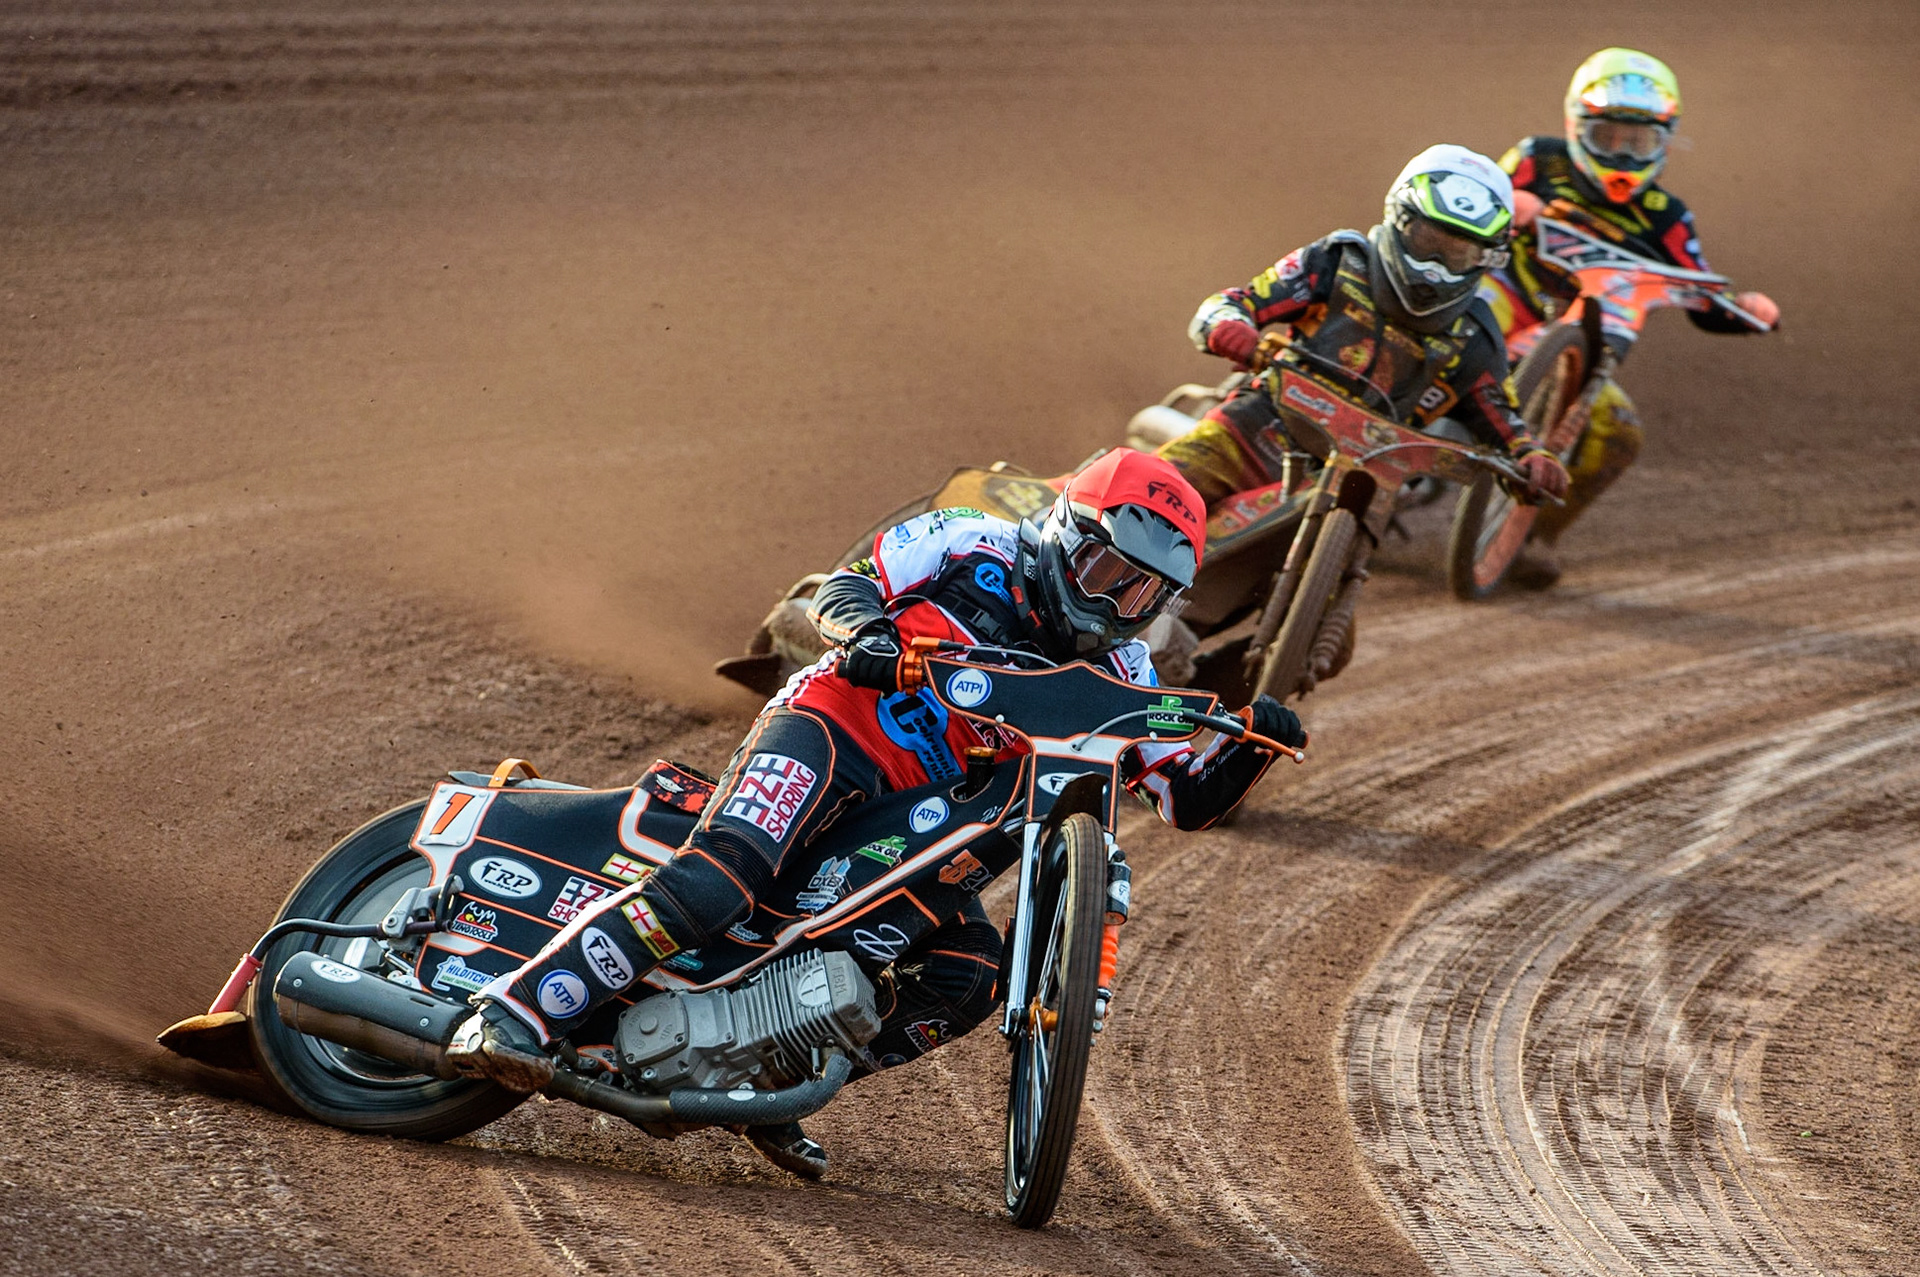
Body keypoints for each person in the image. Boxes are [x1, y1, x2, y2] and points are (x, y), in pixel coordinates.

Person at [447, 449, 1306, 1178]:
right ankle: (520, 1007)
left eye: (1143, 595)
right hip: (833, 733)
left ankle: (768, 1079)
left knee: (969, 975)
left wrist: (1250, 745)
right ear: (1062, 532)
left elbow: (1183, 796)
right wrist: (868, 633)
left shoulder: (1123, 667)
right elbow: (848, 586)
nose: (1117, 604)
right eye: (1107, 573)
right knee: (722, 883)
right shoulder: (973, 541)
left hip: (929, 823)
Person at [1485, 47, 1780, 587]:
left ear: (1664, 141)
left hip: (1568, 341)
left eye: (1638, 142)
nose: (1621, 155)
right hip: (1505, 299)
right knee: (1460, 314)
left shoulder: (1667, 216)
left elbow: (1703, 288)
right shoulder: (1538, 159)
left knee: (1618, 431)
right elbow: (1476, 205)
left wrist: (1744, 307)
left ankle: (1533, 535)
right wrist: (1513, 203)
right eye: (1608, 139)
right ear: (1578, 128)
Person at [1161, 144, 1570, 513]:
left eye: (1457, 254)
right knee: (1148, 494)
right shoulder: (1338, 260)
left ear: (1488, 259)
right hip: (1252, 433)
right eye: (1429, 242)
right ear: (1400, 219)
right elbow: (1232, 304)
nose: (1434, 268)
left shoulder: (1475, 336)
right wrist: (1230, 327)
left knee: (1341, 573)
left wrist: (1532, 456)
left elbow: (1502, 421)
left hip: (1357, 487)